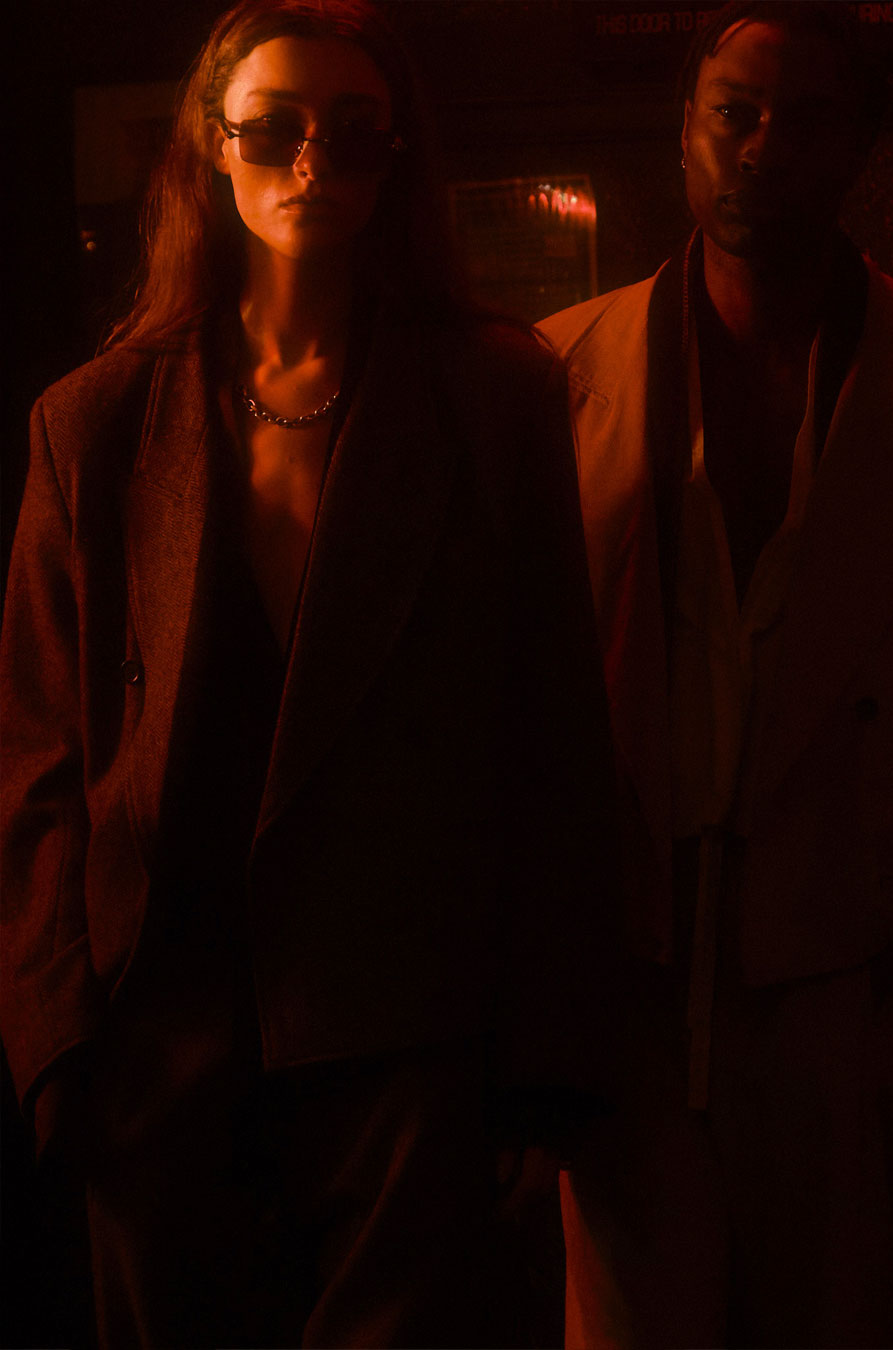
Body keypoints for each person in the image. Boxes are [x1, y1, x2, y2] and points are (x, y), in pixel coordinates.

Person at [0, 2, 622, 1345]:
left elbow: (554, 736)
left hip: (408, 1025)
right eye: (272, 130)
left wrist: (546, 1069)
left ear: (396, 155)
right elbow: (39, 756)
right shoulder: (97, 422)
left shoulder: (490, 395)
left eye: (350, 132)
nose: (309, 165)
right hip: (157, 1030)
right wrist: (57, 1046)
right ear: (209, 146)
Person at [539, 3, 893, 1346]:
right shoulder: (553, 373)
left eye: (807, 118)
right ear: (683, 129)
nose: (763, 148)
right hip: (622, 969)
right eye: (735, 111)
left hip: (841, 967)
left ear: (862, 147)